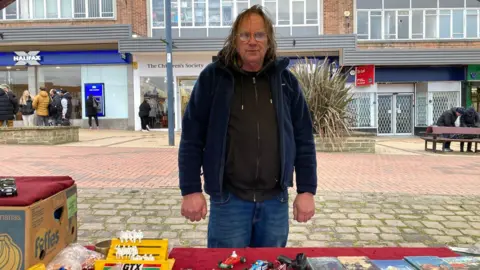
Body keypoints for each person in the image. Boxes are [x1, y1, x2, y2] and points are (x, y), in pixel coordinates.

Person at [178, 5, 317, 248]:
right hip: (229, 201)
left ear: (269, 39)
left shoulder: (286, 82)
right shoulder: (213, 78)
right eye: (245, 35)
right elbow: (192, 138)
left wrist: (307, 190)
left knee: (270, 266)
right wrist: (190, 189)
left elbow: (304, 138)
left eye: (259, 35)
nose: (252, 42)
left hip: (275, 203)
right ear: (235, 39)